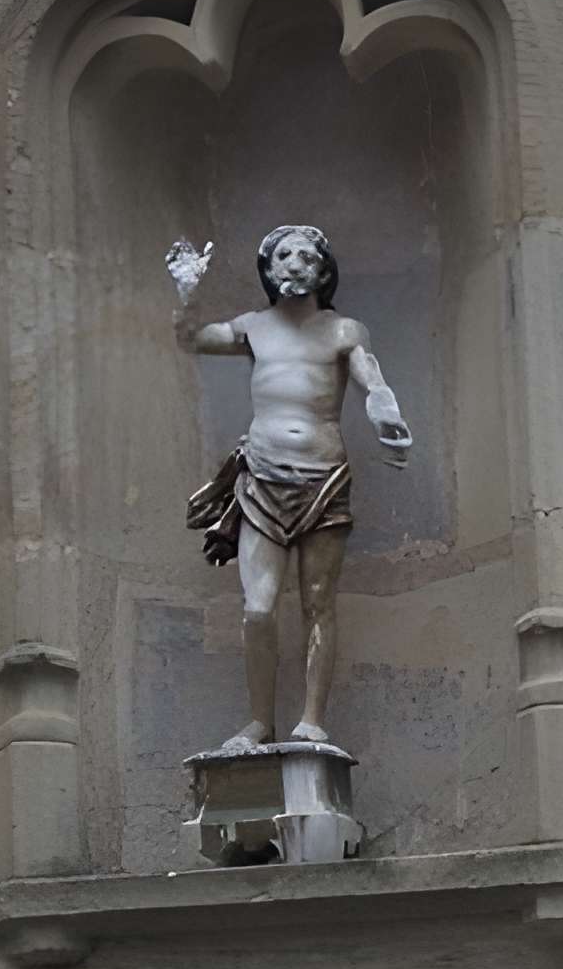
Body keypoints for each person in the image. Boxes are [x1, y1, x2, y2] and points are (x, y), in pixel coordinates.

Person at [166, 225, 414, 748]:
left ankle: (312, 719)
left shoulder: (343, 330)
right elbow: (191, 339)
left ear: (323, 271)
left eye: (306, 255)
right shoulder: (253, 327)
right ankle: (260, 721)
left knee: (317, 602)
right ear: (269, 269)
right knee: (258, 608)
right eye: (283, 254)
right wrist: (185, 293)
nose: (295, 262)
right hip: (261, 476)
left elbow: (370, 374)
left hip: (323, 479)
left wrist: (384, 408)